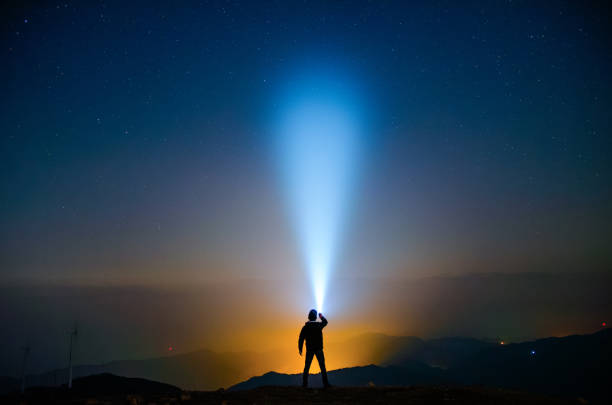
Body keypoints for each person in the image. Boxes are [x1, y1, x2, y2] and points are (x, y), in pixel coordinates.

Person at [298, 309, 330, 388]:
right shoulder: (318, 325)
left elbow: (301, 338)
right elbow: (325, 322)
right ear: (315, 317)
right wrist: (321, 316)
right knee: (322, 366)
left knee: (307, 367)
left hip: (310, 349)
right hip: (318, 349)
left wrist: (300, 348)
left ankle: (305, 384)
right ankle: (326, 384)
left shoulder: (305, 327)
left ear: (309, 317)